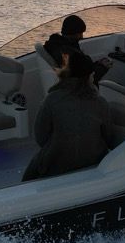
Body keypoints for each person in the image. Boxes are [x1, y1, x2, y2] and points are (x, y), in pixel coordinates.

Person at [21, 52, 119, 181]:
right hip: (93, 164)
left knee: (31, 174)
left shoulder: (51, 100)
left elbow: (40, 138)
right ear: (88, 77)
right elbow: (109, 137)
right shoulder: (100, 102)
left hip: (57, 166)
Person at [43, 14, 112, 81]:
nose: (81, 37)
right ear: (72, 32)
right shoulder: (74, 56)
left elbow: (80, 69)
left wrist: (97, 64)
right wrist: (103, 67)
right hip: (81, 87)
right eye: (79, 33)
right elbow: (89, 79)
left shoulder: (53, 45)